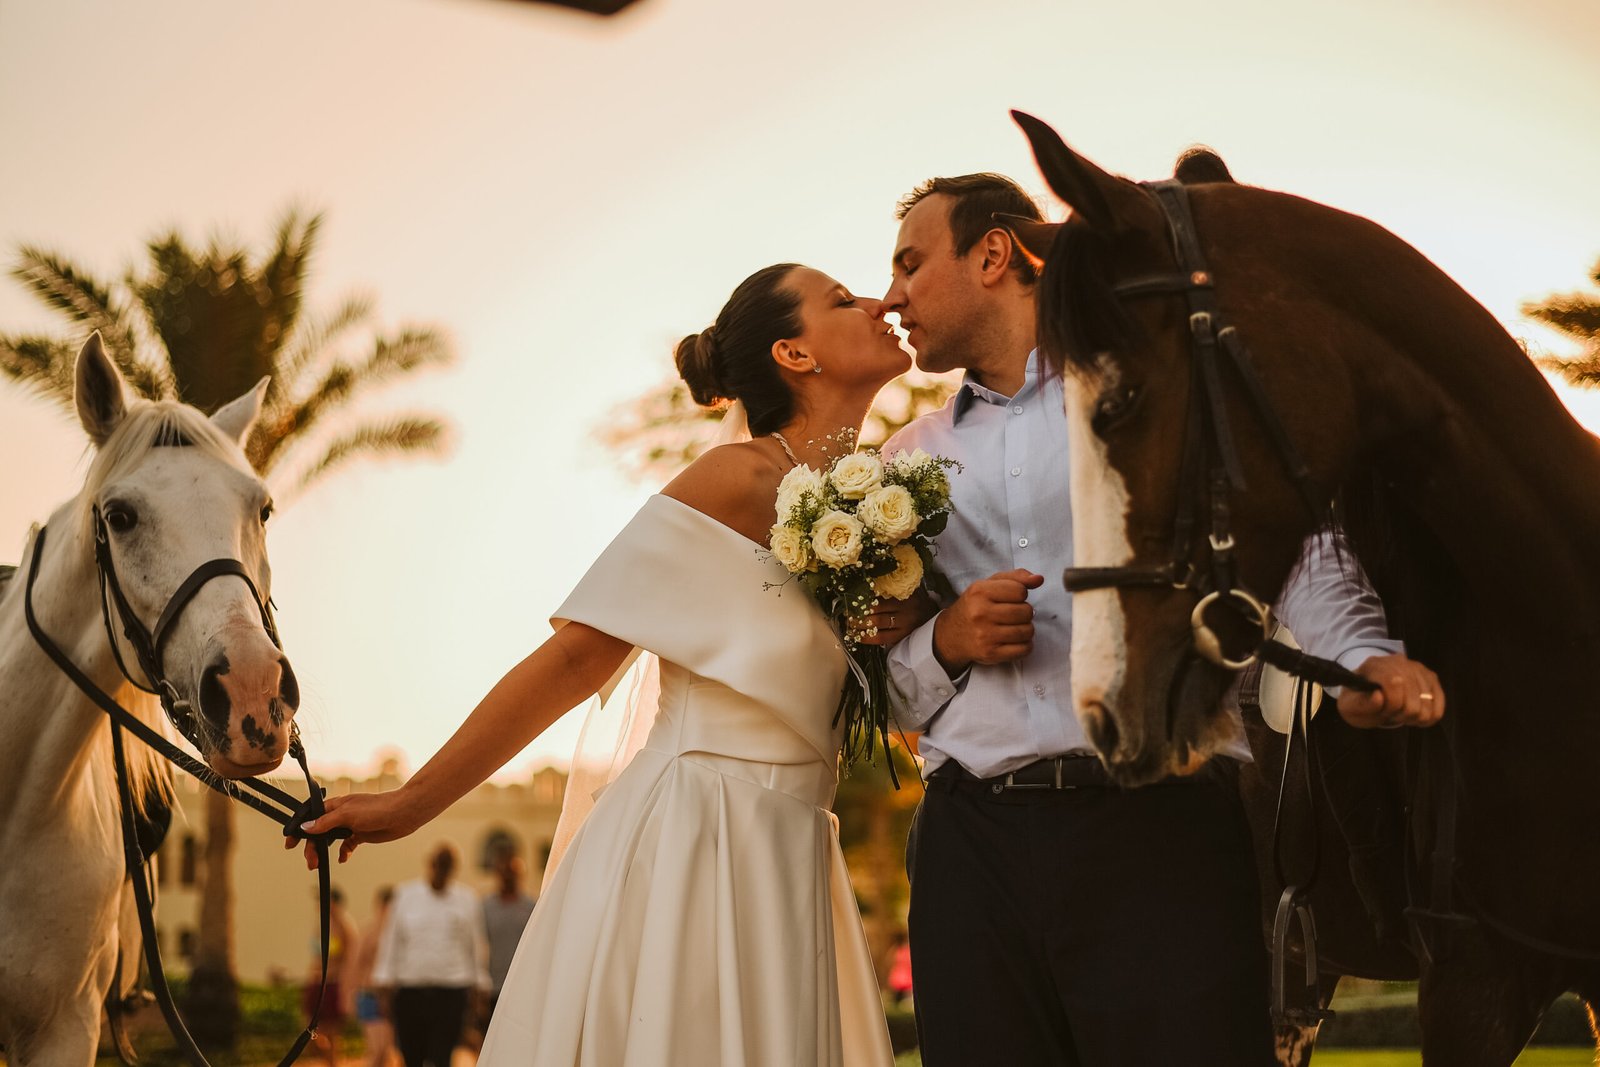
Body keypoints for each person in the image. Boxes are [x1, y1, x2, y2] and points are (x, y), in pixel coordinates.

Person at [879, 173, 1446, 1067]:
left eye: (910, 264)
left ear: (993, 254)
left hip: (1161, 834)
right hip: (968, 849)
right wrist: (942, 644)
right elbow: (884, 693)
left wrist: (1363, 656)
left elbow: (1289, 545)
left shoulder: (1161, 396)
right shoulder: (900, 462)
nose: (891, 296)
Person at [300, 263, 912, 1066]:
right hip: (698, 842)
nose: (878, 302)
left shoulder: (871, 517)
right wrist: (411, 804)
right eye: (843, 299)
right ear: (794, 354)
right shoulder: (734, 479)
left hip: (793, 850)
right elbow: (573, 660)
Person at [371, 845, 491, 1067]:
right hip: (411, 992)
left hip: (451, 992)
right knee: (410, 1055)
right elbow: (392, 940)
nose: (441, 871)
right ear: (430, 864)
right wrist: (384, 980)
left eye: (447, 866)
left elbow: (476, 944)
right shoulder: (406, 895)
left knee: (442, 1055)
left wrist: (480, 983)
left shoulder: (467, 900)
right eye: (439, 865)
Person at [478, 855, 535, 1030]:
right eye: (505, 873)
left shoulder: (530, 907)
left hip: (522, 987)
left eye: (513, 873)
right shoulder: (486, 907)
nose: (508, 877)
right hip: (494, 986)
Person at [304, 887, 356, 1067]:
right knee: (309, 1030)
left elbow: (351, 957)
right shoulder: (320, 925)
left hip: (334, 982)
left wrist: (347, 985)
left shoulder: (344, 925)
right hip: (316, 982)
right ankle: (328, 1060)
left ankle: (333, 1063)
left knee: (332, 1032)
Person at [348, 886, 398, 1067]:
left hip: (391, 996)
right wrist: (350, 994)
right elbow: (354, 964)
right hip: (369, 995)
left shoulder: (397, 932)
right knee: (378, 1049)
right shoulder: (369, 931)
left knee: (388, 1050)